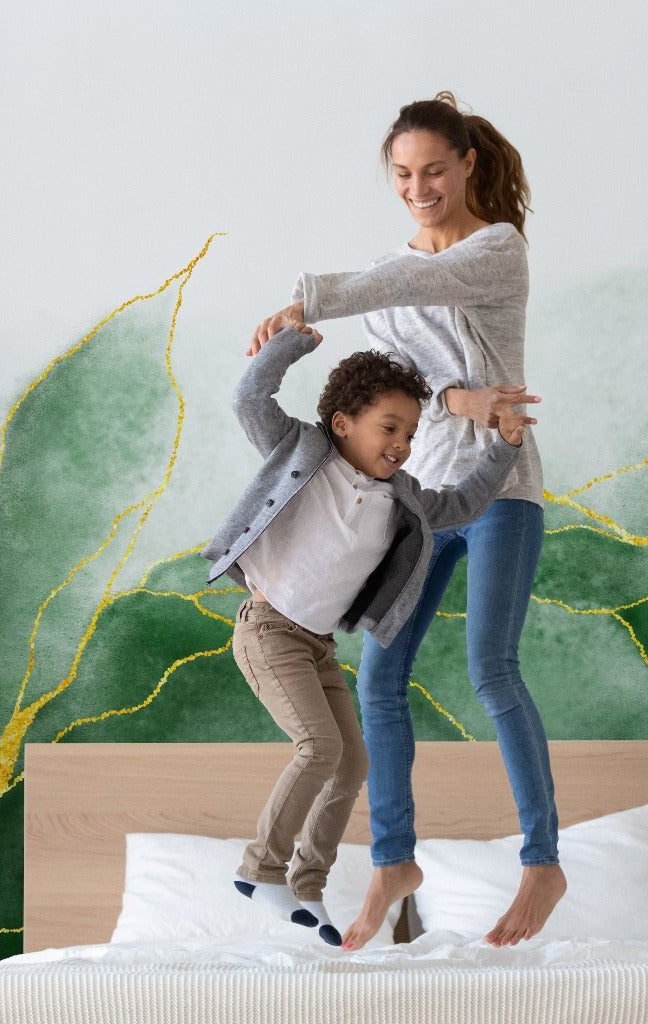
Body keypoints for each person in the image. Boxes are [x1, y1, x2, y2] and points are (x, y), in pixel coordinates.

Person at [250, 92, 567, 950]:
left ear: (467, 163)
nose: (419, 187)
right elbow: (411, 387)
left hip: (499, 491)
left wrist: (308, 296)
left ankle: (543, 862)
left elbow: (421, 281)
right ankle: (395, 860)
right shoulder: (390, 277)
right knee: (378, 681)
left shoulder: (496, 250)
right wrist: (458, 395)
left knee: (491, 669)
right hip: (421, 502)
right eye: (402, 174)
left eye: (433, 170)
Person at [202, 329, 527, 946]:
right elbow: (250, 397)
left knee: (352, 761)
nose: (402, 445)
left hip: (317, 644)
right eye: (389, 429)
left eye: (409, 433)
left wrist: (504, 449)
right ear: (344, 422)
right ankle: (261, 868)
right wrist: (292, 343)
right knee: (318, 749)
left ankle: (304, 884)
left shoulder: (400, 498)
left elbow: (459, 505)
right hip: (267, 629)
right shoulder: (302, 450)